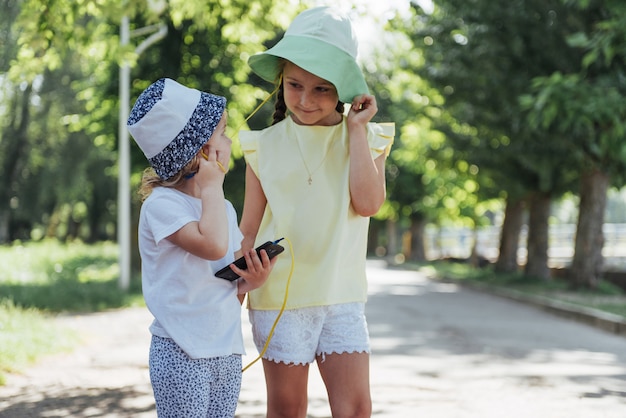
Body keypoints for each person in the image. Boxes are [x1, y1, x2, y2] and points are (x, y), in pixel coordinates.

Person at [238, 7, 394, 418]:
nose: (305, 100)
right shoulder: (261, 146)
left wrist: (357, 131)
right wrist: (234, 294)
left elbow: (369, 204)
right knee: (288, 411)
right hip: (278, 299)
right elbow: (248, 231)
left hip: (341, 297)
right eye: (294, 85)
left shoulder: (368, 137)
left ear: (343, 88)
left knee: (356, 409)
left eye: (323, 89)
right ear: (281, 81)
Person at [127, 78, 276, 418]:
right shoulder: (162, 205)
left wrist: (250, 281)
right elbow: (211, 246)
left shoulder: (220, 207)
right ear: (199, 151)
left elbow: (222, 279)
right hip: (182, 349)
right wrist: (212, 187)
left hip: (224, 348)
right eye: (222, 133)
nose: (230, 139)